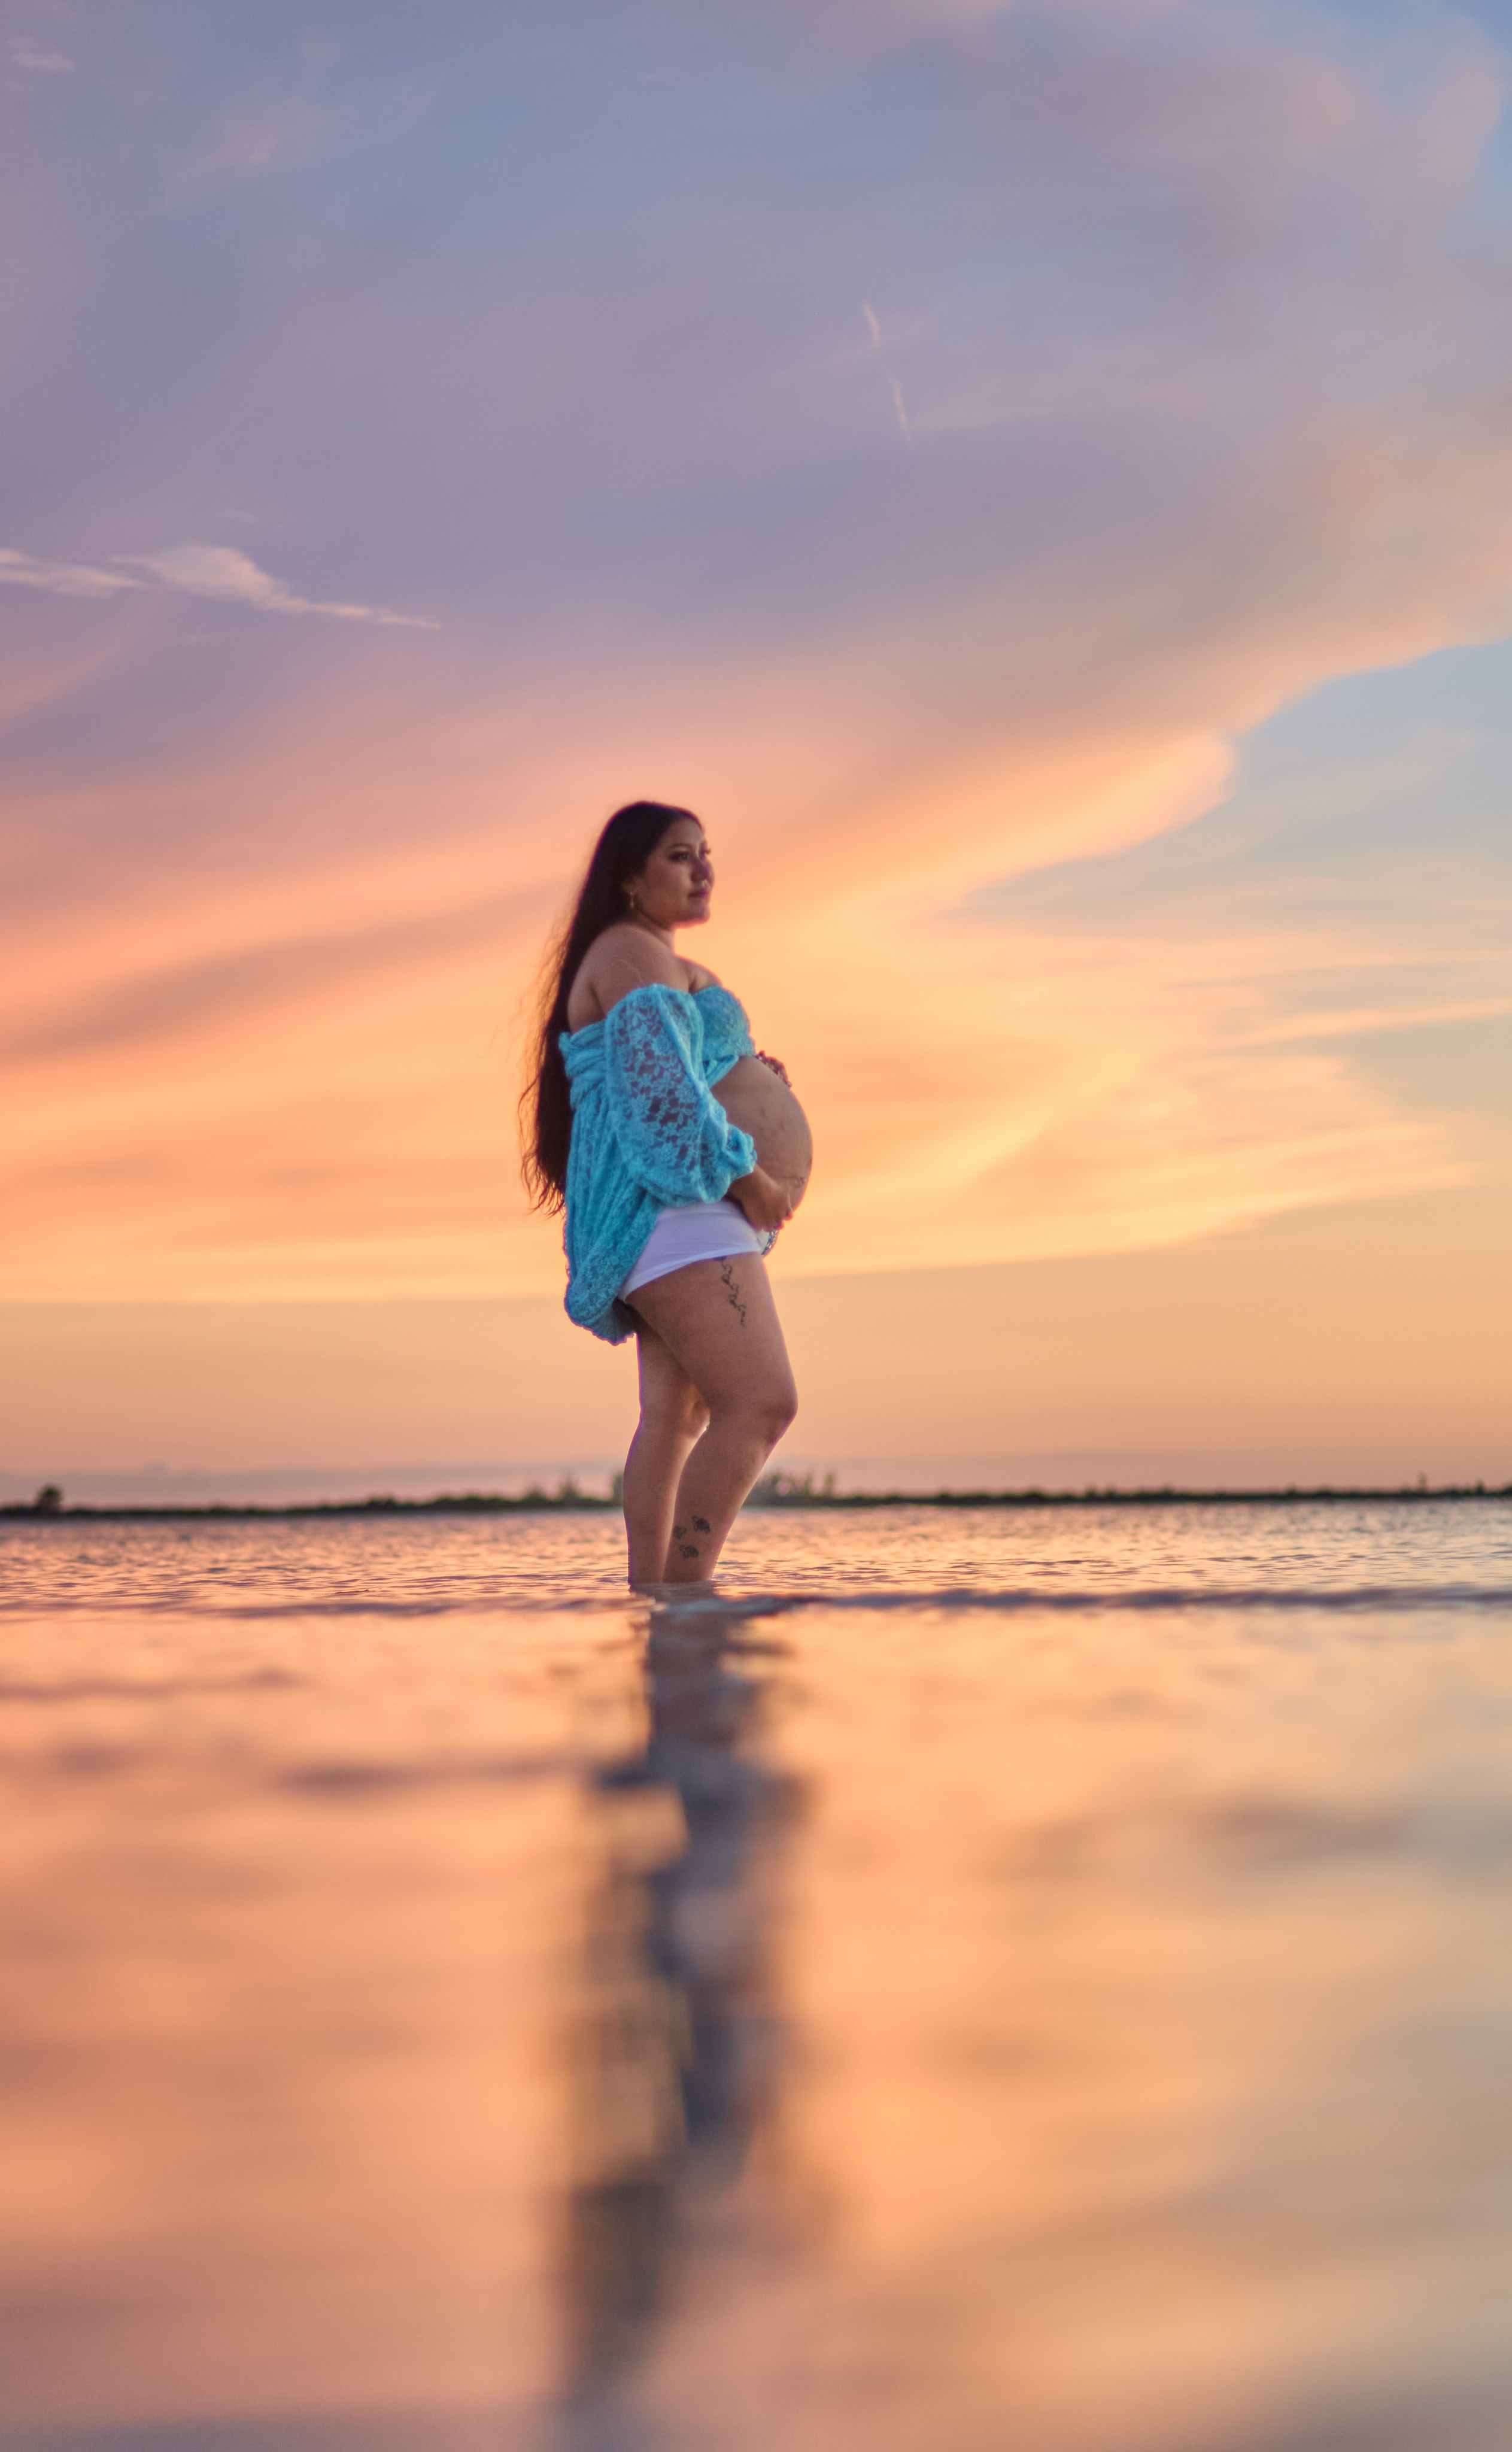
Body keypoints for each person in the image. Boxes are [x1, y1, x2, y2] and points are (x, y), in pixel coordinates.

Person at [523, 802, 809, 1588]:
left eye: (706, 853)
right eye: (681, 856)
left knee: (677, 1420)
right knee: (761, 1402)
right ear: (627, 876)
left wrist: (752, 1079)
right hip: (679, 1206)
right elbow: (667, 1100)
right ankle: (688, 1597)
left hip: (684, 1209)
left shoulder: (646, 957)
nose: (703, 869)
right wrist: (753, 1180)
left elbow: (688, 1073)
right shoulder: (625, 954)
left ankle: (654, 1609)